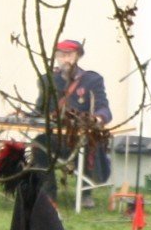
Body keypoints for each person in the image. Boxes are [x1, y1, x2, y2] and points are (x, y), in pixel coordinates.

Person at [40, 38, 112, 186]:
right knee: (39, 144)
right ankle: (48, 193)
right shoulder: (48, 80)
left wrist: (96, 119)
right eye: (61, 55)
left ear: (77, 56)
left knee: (89, 144)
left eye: (69, 55)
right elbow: (40, 109)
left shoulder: (92, 80)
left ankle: (86, 192)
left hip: (80, 136)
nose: (65, 59)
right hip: (56, 135)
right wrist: (22, 114)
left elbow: (104, 108)